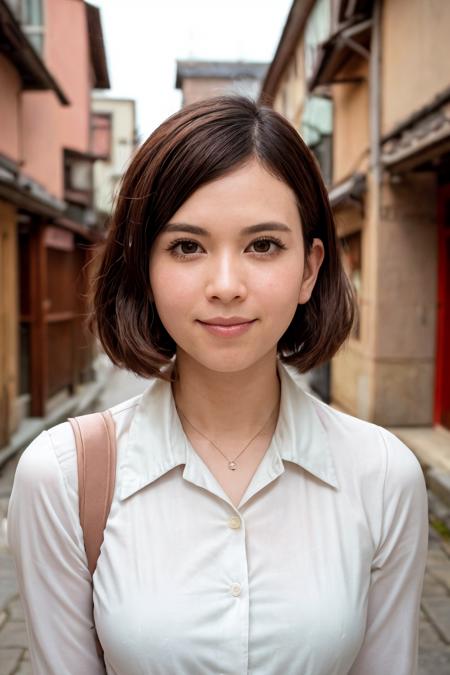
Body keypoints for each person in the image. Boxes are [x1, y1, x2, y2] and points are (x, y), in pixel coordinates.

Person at [7, 95, 428, 675]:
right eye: (187, 246)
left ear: (309, 268)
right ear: (143, 268)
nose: (226, 285)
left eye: (263, 245)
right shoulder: (62, 479)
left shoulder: (384, 475)